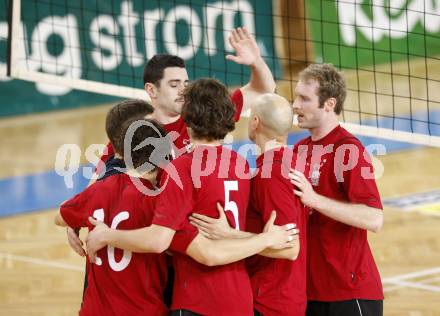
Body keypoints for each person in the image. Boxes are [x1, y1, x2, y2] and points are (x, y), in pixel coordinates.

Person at [85, 78, 297, 316]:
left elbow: (159, 240)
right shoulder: (239, 163)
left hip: (198, 301)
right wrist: (264, 239)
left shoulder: (180, 169)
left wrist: (107, 235)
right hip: (240, 300)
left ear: (185, 117)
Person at [67, 26, 276, 256]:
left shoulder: (203, 116)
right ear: (151, 90)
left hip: (200, 242)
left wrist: (256, 62)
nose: (183, 91)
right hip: (159, 242)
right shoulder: (135, 133)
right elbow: (97, 184)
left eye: (185, 84)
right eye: (174, 85)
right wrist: (74, 220)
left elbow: (263, 89)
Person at [189, 93, 307, 315]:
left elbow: (290, 248)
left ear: (255, 122)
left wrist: (229, 233)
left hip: (271, 300)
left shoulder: (271, 173)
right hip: (283, 296)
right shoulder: (286, 162)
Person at [289, 63, 384, 316]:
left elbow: (374, 218)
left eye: (304, 98)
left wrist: (314, 200)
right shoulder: (298, 150)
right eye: (296, 97)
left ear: (329, 104)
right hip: (309, 292)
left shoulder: (349, 150)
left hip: (349, 293)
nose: (295, 105)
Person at [54, 115, 171, 315]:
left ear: (123, 155)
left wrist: (74, 222)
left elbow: (60, 216)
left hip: (96, 310)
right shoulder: (160, 203)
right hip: (142, 309)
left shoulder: (99, 189)